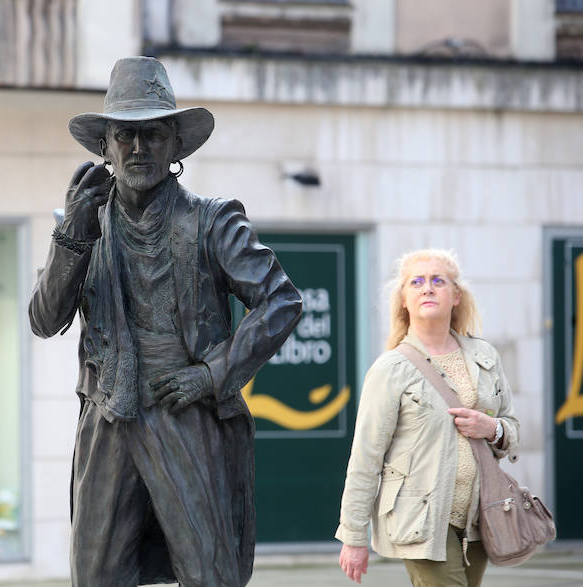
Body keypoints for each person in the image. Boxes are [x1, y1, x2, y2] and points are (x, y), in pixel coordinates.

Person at [29, 56, 303, 587]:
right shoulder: (83, 223)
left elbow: (280, 300)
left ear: (175, 145)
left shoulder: (211, 219)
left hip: (185, 414)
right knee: (96, 575)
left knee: (209, 573)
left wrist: (213, 373)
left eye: (152, 135)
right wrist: (74, 240)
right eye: (124, 136)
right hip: (109, 415)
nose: (137, 148)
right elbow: (44, 319)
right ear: (104, 148)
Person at [336, 249, 520, 586]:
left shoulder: (485, 357)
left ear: (456, 296)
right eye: (416, 282)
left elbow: (512, 429)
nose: (427, 288)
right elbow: (365, 458)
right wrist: (353, 536)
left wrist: (491, 428)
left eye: (438, 281)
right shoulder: (391, 369)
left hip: (482, 517)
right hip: (420, 520)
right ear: (404, 299)